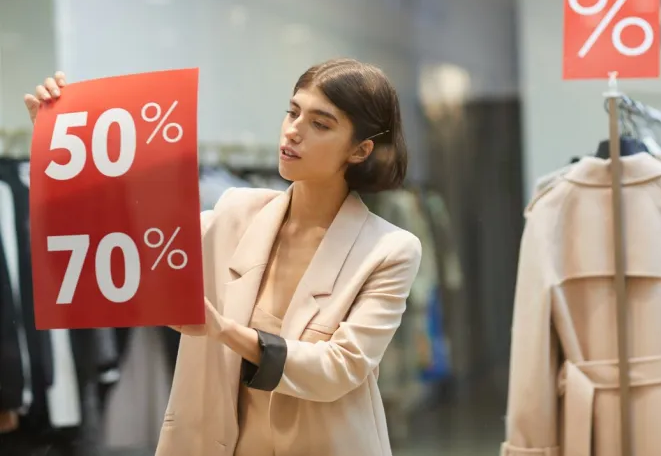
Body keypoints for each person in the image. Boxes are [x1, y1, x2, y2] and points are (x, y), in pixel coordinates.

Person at [24, 59, 423, 456]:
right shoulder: (234, 213)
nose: (293, 131)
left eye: (320, 124)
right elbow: (123, 239)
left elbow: (340, 367)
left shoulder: (388, 250)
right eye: (293, 111)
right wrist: (61, 143)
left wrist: (222, 330)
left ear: (361, 149)